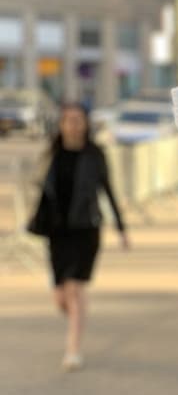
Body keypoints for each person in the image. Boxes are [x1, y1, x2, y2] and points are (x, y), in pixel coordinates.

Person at [36, 102, 128, 370]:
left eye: (78, 119)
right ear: (61, 124)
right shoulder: (52, 154)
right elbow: (40, 191)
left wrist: (121, 228)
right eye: (68, 120)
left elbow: (108, 190)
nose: (73, 124)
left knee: (75, 289)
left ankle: (73, 350)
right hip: (56, 232)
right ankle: (77, 313)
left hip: (86, 230)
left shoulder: (95, 154)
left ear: (86, 124)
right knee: (60, 297)